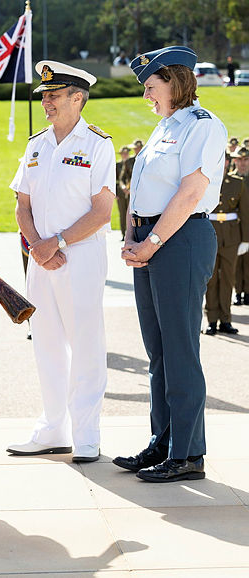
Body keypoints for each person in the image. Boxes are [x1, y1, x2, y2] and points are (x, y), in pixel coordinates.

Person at [113, 46, 227, 483]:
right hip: (150, 238)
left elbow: (191, 192)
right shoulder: (165, 128)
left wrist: (153, 240)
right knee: (158, 352)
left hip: (180, 239)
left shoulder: (202, 126)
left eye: (151, 86)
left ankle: (188, 454)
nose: (147, 96)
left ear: (175, 82)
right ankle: (162, 442)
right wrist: (131, 236)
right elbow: (139, 189)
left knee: (180, 350)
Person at [6, 61, 115, 464]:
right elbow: (23, 205)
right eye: (44, 96)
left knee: (86, 344)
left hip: (80, 256)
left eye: (54, 95)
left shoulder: (97, 144)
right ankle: (53, 428)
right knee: (47, 343)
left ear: (78, 98)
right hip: (41, 259)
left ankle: (87, 434)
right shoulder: (36, 144)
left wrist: (58, 242)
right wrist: (38, 245)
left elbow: (103, 212)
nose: (46, 102)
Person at [205, 151, 249, 334]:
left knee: (228, 279)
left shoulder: (238, 183)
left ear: (228, 162)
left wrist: (246, 239)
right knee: (211, 279)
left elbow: (245, 213)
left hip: (231, 237)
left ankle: (226, 320)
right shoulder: (204, 181)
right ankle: (211, 320)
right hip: (209, 235)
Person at [232, 147, 249, 305]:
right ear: (234, 161)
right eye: (239, 160)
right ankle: (238, 291)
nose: (242, 163)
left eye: (246, 160)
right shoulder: (230, 180)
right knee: (236, 263)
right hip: (235, 227)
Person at [116, 145, 132, 240]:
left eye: (126, 153)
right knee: (122, 213)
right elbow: (115, 179)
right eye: (123, 153)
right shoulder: (117, 165)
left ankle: (130, 234)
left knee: (129, 213)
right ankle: (123, 234)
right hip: (121, 192)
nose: (125, 155)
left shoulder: (130, 163)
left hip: (130, 191)